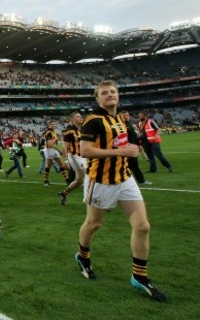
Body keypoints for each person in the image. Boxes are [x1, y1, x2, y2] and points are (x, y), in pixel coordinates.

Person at [75, 80, 168, 301]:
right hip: (101, 181)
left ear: (118, 96)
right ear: (97, 98)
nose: (109, 95)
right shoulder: (93, 121)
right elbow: (85, 151)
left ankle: (140, 276)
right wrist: (120, 152)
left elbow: (124, 145)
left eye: (113, 92)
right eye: (104, 93)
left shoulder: (119, 119)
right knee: (94, 223)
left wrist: (132, 150)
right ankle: (82, 256)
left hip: (125, 178)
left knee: (143, 226)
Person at [58, 112, 87, 205]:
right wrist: (66, 160)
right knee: (89, 176)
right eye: (77, 116)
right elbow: (64, 147)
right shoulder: (70, 131)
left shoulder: (82, 129)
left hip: (83, 156)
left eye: (80, 116)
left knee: (79, 180)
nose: (80, 117)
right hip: (74, 156)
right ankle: (91, 200)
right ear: (72, 119)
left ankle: (63, 194)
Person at [120, 111, 151, 185]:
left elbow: (134, 136)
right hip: (129, 148)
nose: (126, 116)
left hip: (134, 147)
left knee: (131, 165)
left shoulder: (130, 124)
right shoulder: (121, 126)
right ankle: (141, 180)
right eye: (124, 115)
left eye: (127, 115)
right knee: (134, 165)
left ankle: (122, 179)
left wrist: (139, 144)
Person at [41, 120, 69, 187]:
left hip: (53, 149)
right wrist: (59, 150)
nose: (53, 125)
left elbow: (54, 141)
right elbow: (50, 144)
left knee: (61, 164)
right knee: (48, 165)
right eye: (52, 124)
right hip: (49, 149)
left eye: (54, 124)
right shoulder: (48, 132)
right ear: (49, 125)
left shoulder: (53, 131)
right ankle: (45, 180)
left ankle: (67, 179)